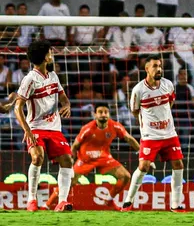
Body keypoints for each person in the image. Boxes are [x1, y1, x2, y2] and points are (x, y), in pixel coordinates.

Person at [45, 104, 144, 211]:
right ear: (95, 114)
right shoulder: (87, 129)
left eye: (106, 112)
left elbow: (129, 139)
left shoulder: (115, 126)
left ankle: (109, 200)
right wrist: (72, 160)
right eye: (100, 112)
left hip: (104, 157)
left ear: (109, 114)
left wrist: (141, 153)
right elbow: (75, 146)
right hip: (85, 159)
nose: (103, 114)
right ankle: (47, 205)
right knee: (70, 182)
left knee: (125, 176)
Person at [14, 40, 73, 212]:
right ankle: (32, 200)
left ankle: (62, 202)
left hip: (54, 128)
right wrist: (27, 130)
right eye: (50, 52)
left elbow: (63, 98)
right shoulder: (30, 79)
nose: (52, 54)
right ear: (44, 56)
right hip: (36, 127)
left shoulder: (53, 76)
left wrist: (66, 105)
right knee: (37, 157)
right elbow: (18, 108)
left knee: (67, 160)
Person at [122, 55, 185, 212]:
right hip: (150, 136)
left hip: (170, 134)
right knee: (143, 166)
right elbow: (135, 111)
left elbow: (170, 102)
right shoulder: (138, 90)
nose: (159, 69)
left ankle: (176, 205)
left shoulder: (168, 84)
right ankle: (128, 202)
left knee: (179, 165)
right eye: (155, 66)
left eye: (160, 66)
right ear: (147, 69)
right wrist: (147, 125)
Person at [168, 13, 194, 90]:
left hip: (189, 55)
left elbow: (193, 46)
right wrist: (178, 57)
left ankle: (192, 91)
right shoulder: (174, 30)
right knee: (176, 74)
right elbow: (170, 46)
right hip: (176, 55)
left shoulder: (192, 31)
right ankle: (175, 92)